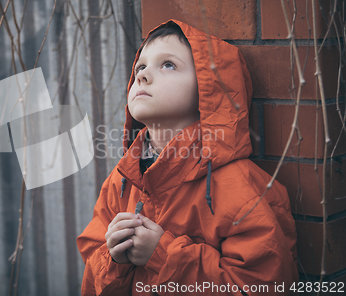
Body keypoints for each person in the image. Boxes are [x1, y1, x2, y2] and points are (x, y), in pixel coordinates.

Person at [76, 19, 298, 295]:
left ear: (208, 90)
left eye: (168, 64)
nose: (142, 76)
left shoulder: (243, 189)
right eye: (140, 67)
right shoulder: (122, 180)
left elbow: (264, 286)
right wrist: (114, 259)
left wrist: (164, 256)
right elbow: (92, 274)